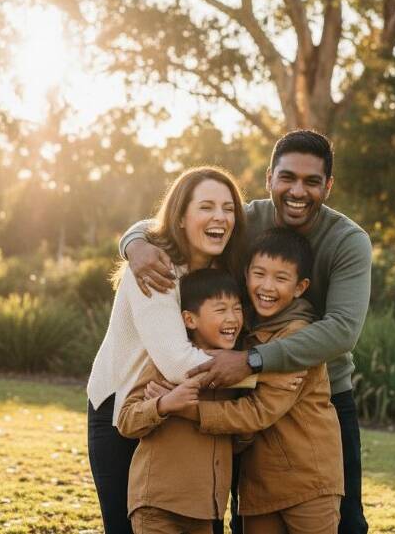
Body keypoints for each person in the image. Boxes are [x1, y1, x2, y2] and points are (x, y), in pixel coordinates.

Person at [121, 130, 372, 534]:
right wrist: (134, 242)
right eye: (287, 177)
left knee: (345, 520)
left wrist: (252, 360)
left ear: (328, 185)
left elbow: (342, 330)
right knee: (249, 511)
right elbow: (173, 218)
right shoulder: (246, 218)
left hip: (319, 393)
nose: (297, 191)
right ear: (270, 177)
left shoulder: (347, 241)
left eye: (311, 181)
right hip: (239, 386)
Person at [86, 166, 249, 534]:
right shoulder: (153, 268)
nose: (219, 217)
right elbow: (178, 363)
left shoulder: (223, 270)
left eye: (228, 208)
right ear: (180, 217)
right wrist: (259, 369)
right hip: (122, 406)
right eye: (206, 206)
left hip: (185, 405)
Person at [174, 227, 344, 534]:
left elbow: (258, 411)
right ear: (246, 275)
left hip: (308, 479)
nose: (267, 286)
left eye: (281, 278)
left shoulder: (298, 337)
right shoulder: (240, 328)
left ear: (300, 286)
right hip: (258, 484)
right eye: (259, 274)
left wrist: (188, 410)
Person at [117, 269, 246, 534]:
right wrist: (165, 404)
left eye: (237, 308)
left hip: (205, 511)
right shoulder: (166, 363)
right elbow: (126, 420)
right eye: (220, 310)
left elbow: (242, 436)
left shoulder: (237, 375)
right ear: (189, 319)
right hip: (158, 506)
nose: (232, 318)